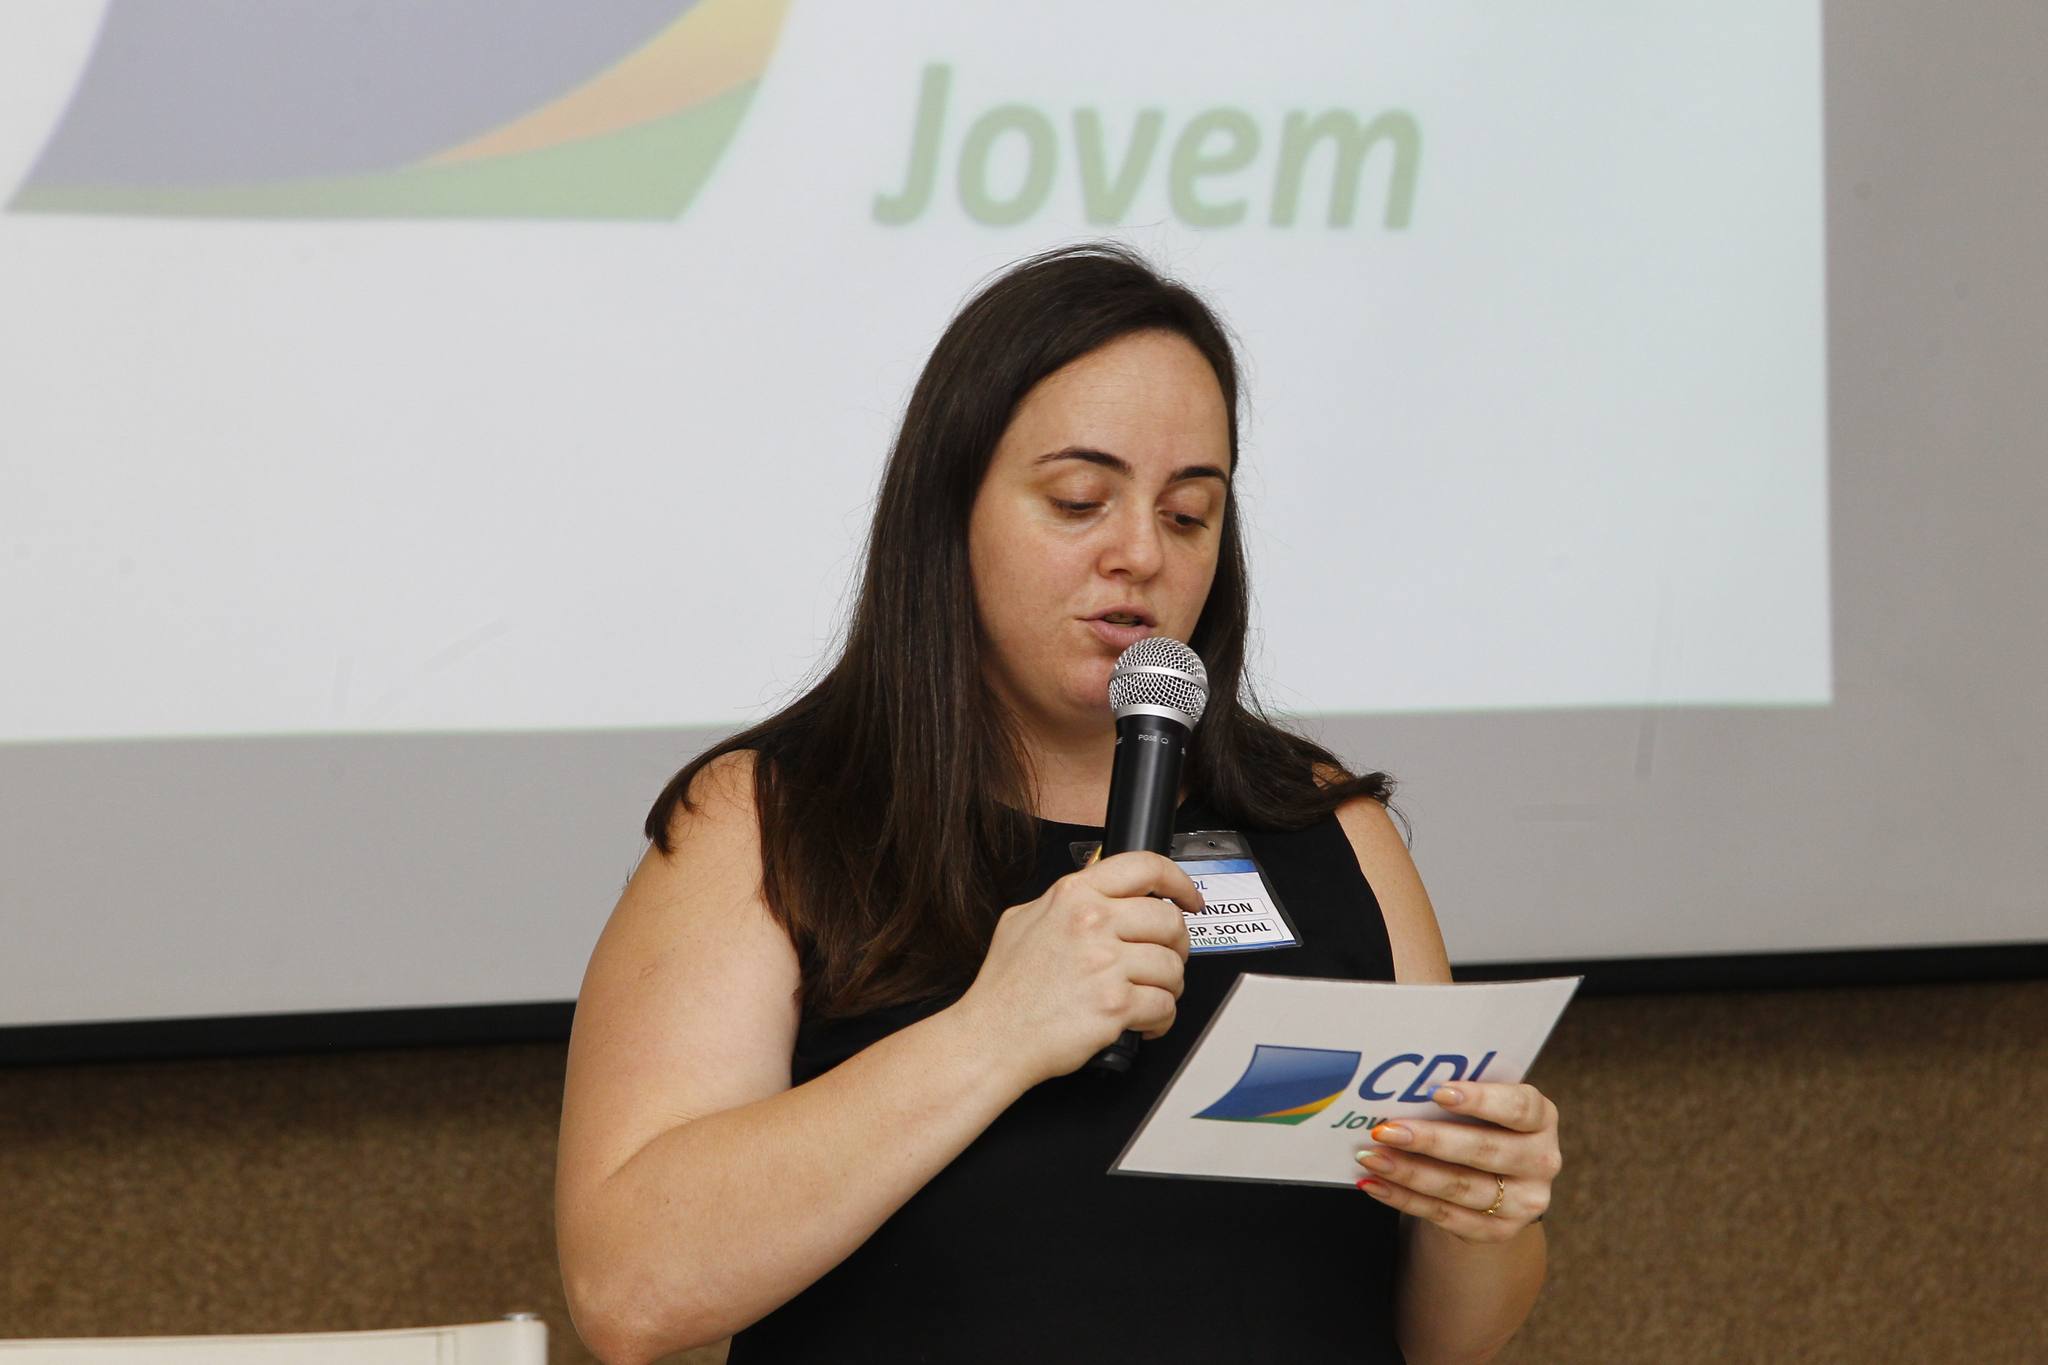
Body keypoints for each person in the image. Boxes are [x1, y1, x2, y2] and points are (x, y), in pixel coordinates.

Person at [554, 243, 1563, 1364]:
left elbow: (1439, 1340)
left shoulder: (1329, 829)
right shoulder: (773, 821)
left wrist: (1482, 1213)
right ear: (951, 508)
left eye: (1188, 515)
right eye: (1080, 500)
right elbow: (629, 1291)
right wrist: (993, 1033)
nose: (1139, 554)